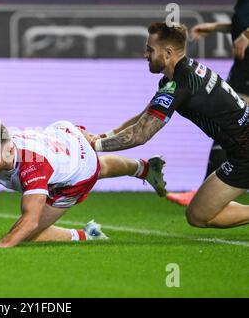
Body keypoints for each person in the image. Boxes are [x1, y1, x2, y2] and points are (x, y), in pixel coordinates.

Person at [82, 21, 249, 229]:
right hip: (240, 152)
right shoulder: (182, 74)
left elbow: (140, 135)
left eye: (150, 50)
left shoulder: (180, 83)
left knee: (198, 216)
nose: (145, 55)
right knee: (198, 213)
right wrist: (103, 136)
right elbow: (143, 117)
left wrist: (93, 147)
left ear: (168, 53)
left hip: (245, 154)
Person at [0, 120, 167, 248]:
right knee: (103, 166)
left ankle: (87, 235)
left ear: (10, 150)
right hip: (62, 135)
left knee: (26, 233)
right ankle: (144, 168)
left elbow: (30, 221)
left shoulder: (33, 166)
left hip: (77, 170)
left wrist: (4, 244)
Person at [167, 0, 249, 206]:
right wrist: (216, 27)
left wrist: (246, 36)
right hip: (242, 69)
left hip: (246, 70)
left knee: (232, 124)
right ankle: (207, 189)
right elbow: (241, 24)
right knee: (234, 126)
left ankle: (205, 190)